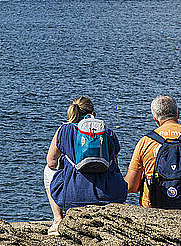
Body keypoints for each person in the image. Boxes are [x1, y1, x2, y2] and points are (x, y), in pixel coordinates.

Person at [44, 96, 128, 235]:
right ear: (93, 114)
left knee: (48, 170)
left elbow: (51, 162)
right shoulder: (107, 132)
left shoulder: (63, 130)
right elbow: (115, 164)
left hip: (72, 196)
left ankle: (58, 220)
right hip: (109, 196)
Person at [124, 95, 181, 211]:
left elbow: (131, 186)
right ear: (178, 114)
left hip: (153, 213)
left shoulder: (145, 141)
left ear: (155, 119)